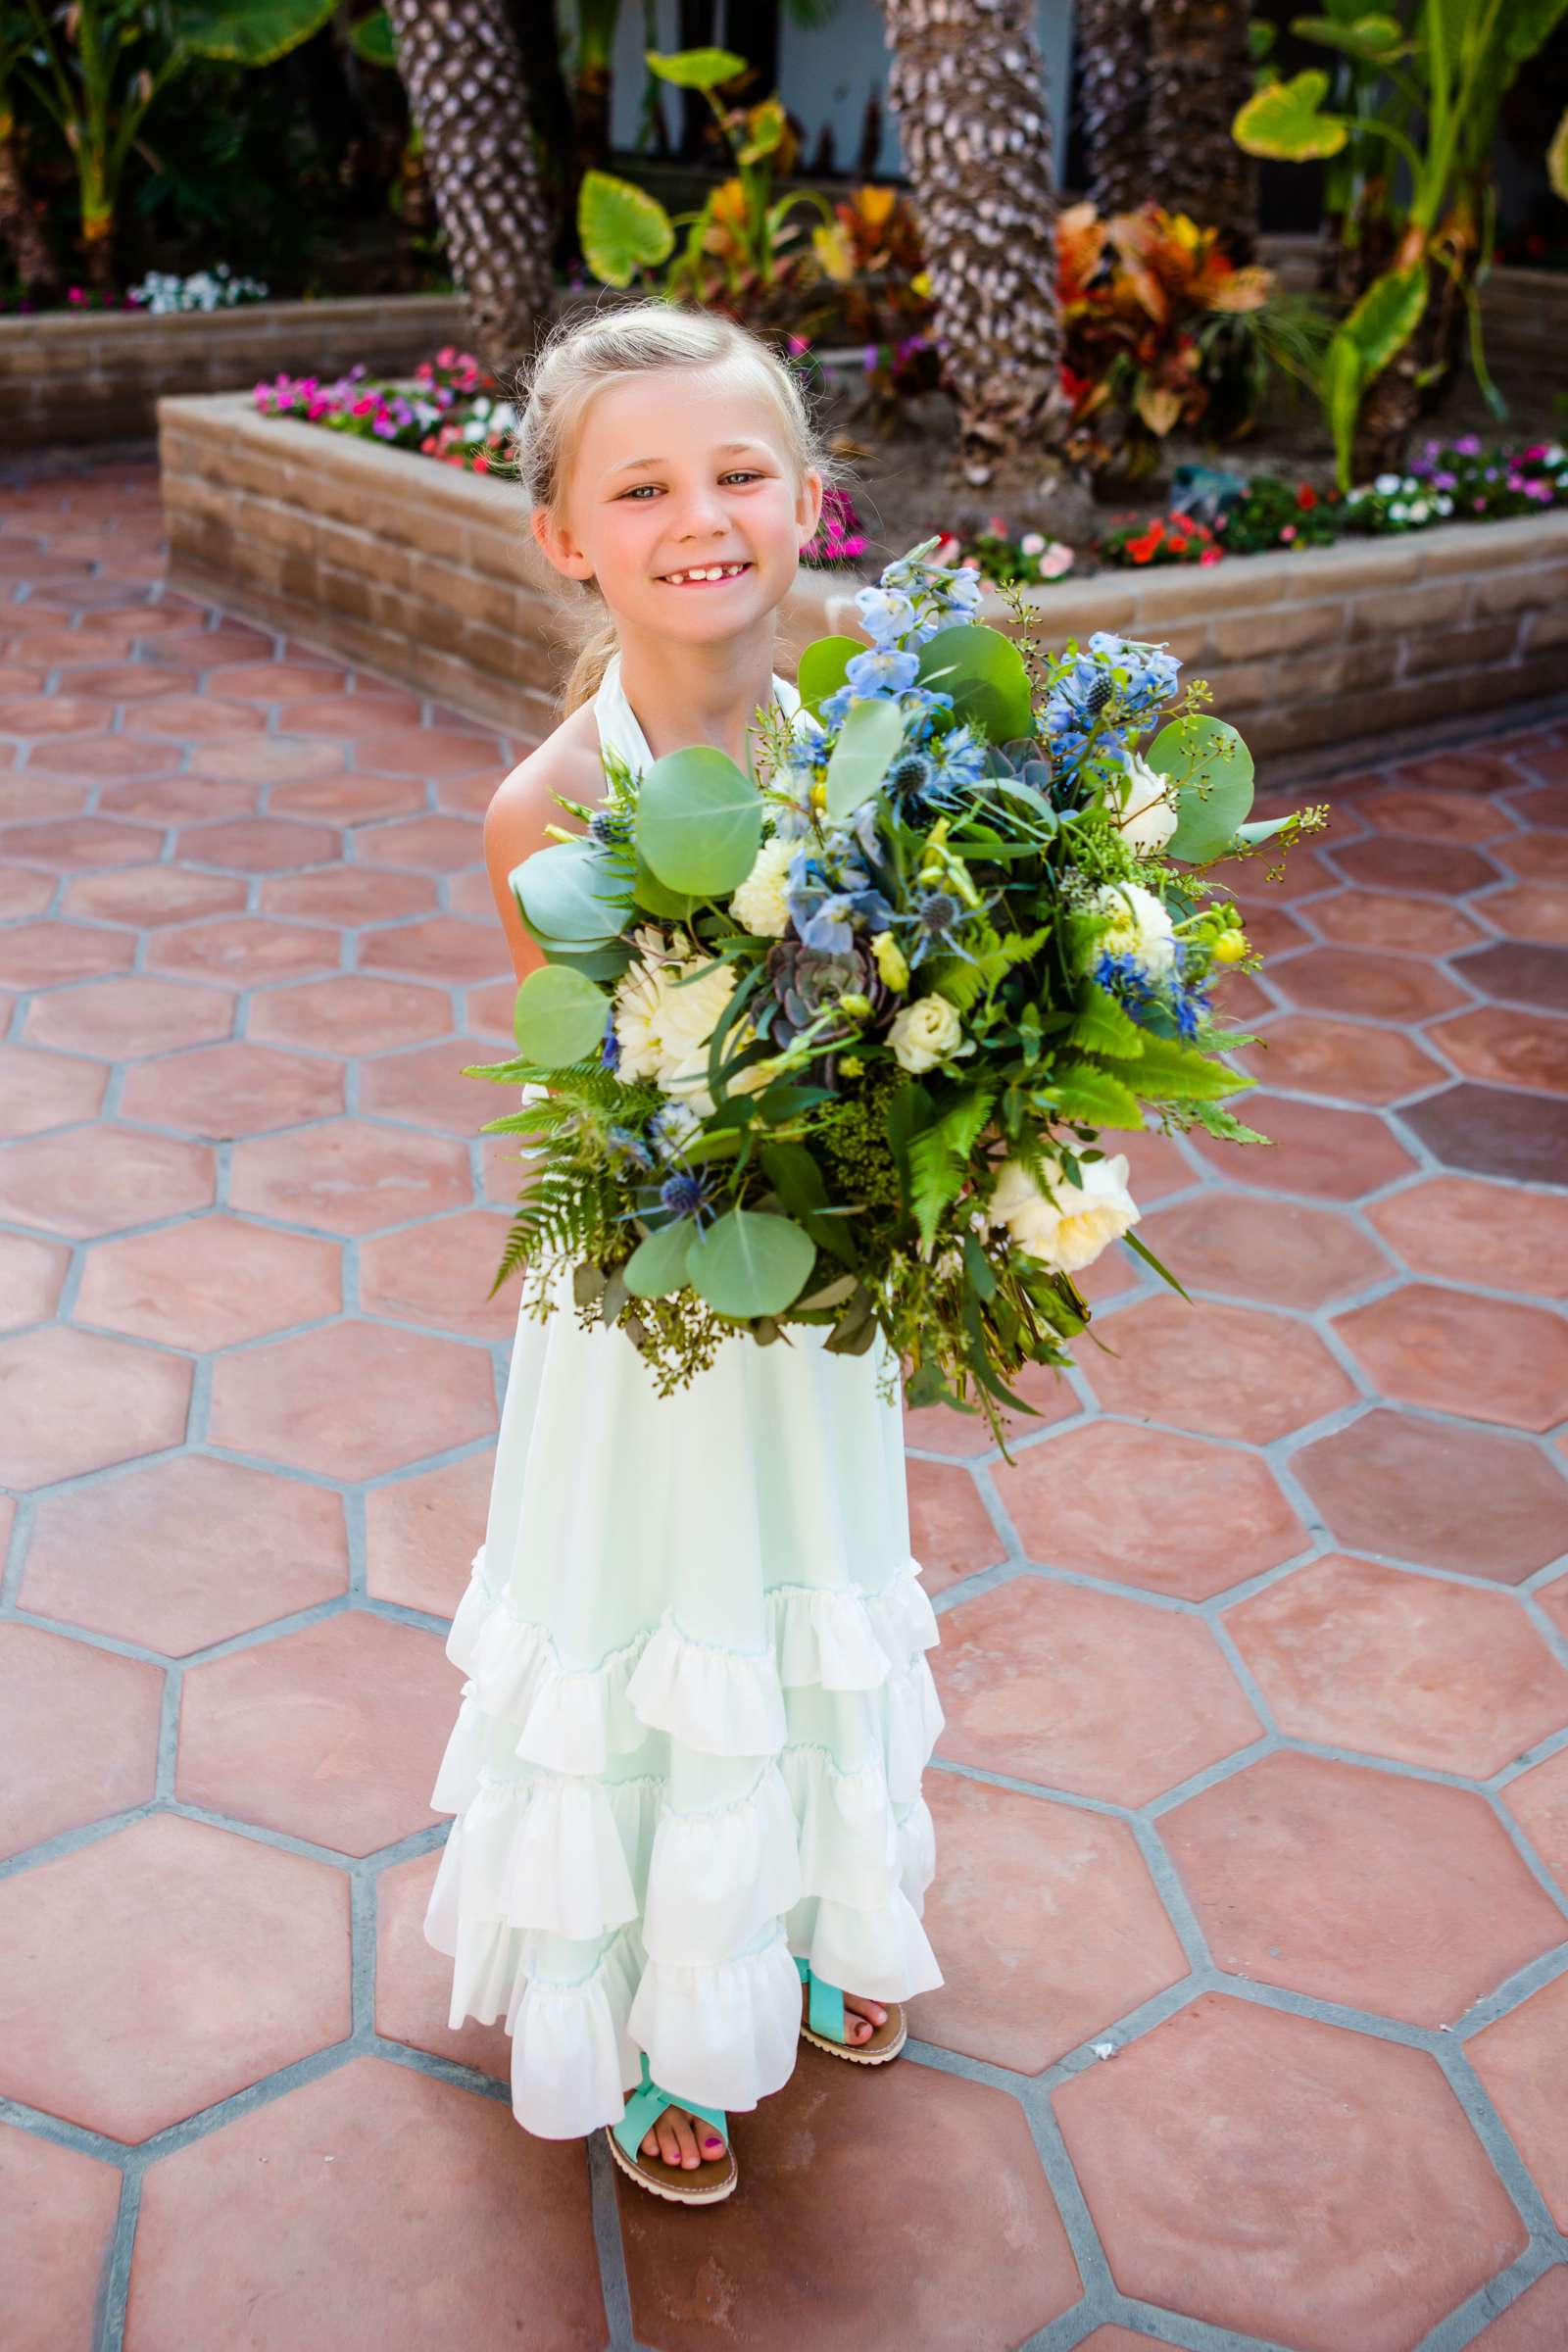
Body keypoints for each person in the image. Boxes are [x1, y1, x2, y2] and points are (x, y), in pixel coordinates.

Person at [421, 300, 944, 2208]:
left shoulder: (873, 768)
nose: (696, 515)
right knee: (673, 1613)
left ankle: (800, 1917)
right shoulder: (545, 815)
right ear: (570, 535)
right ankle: (648, 2004)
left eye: (735, 473)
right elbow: (590, 1125)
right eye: (640, 486)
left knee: (806, 1583)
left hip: (819, 1308)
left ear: (807, 500)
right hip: (654, 1315)